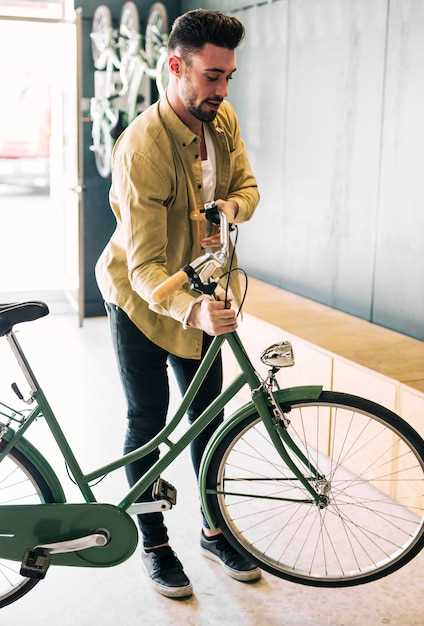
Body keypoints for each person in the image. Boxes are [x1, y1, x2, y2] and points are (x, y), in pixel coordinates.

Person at [95, 9, 260, 599]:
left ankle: (215, 530)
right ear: (176, 65)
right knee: (147, 422)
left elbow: (247, 187)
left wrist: (228, 211)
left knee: (208, 420)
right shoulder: (142, 146)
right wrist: (191, 310)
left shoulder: (224, 119)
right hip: (141, 302)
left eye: (228, 77)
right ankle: (155, 542)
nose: (221, 90)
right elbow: (142, 269)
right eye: (211, 76)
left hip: (202, 292)